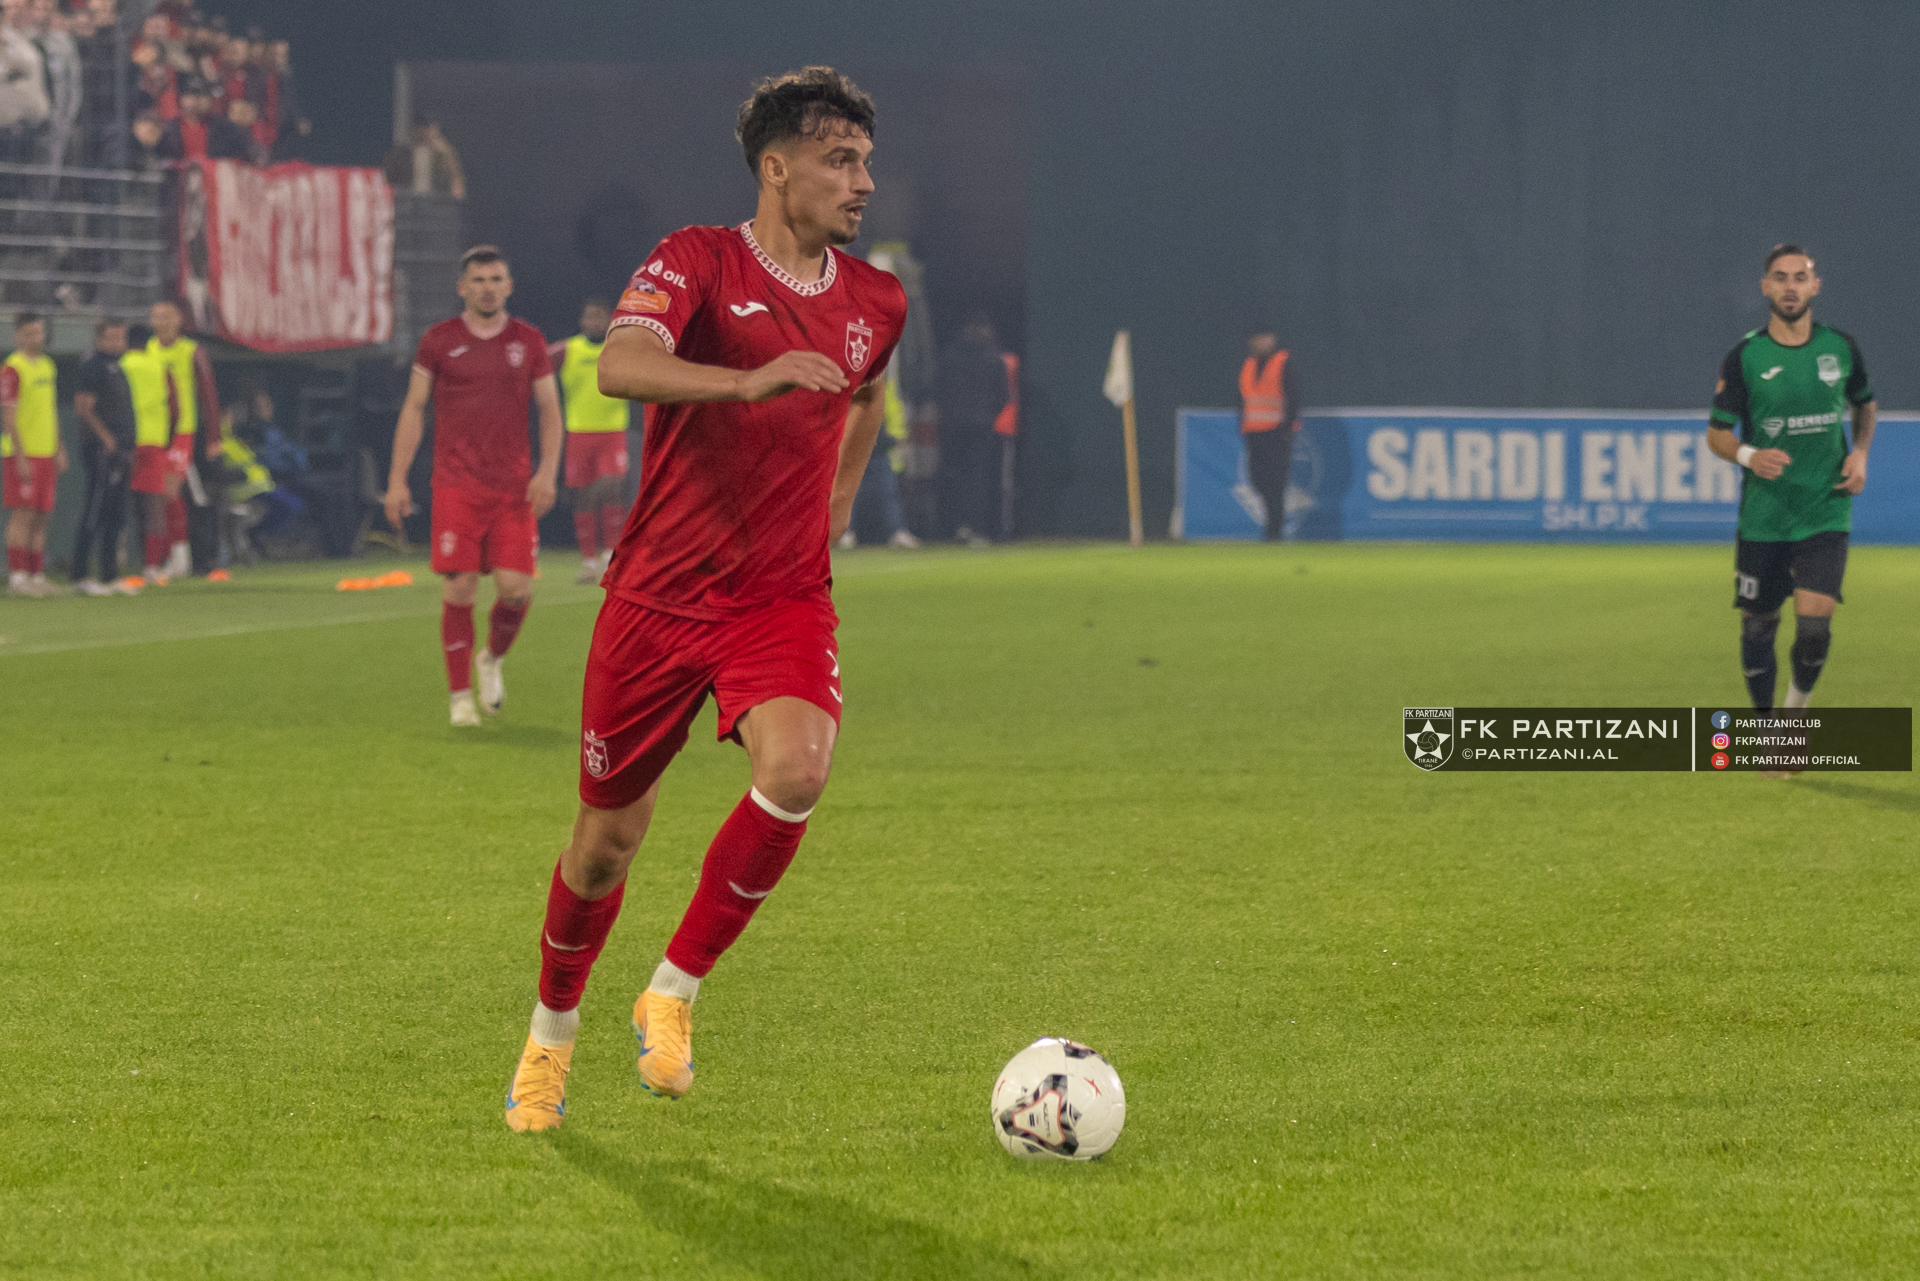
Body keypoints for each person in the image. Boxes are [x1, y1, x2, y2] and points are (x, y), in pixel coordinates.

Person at [501, 66, 906, 1132]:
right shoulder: (696, 259)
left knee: (799, 769)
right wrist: (746, 379)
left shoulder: (877, 301)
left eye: (866, 161)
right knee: (604, 846)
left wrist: (836, 505)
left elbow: (865, 394)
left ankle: (672, 990)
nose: (863, 182)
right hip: (658, 597)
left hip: (780, 597)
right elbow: (620, 364)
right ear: (777, 169)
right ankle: (551, 1033)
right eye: (839, 160)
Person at [383, 245, 562, 727]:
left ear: (509, 286)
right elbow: (414, 409)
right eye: (478, 280)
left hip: (512, 489)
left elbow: (549, 409)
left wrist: (547, 471)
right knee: (460, 588)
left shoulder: (529, 341)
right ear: (462, 287)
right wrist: (397, 480)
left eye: (496, 279)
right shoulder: (438, 341)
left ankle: (491, 659)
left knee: (516, 590)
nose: (488, 288)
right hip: (456, 485)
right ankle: (460, 697)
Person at [1708, 244, 1874, 732]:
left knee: (1815, 627)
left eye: (1800, 277)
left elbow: (1865, 403)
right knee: (1759, 627)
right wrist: (1749, 456)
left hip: (1825, 508)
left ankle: (1792, 720)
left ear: (1815, 286)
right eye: (1780, 277)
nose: (1790, 287)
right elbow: (1717, 435)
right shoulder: (1746, 356)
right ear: (1766, 287)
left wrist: (1860, 452)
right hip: (1766, 515)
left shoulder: (1841, 347)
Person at [549, 298, 630, 584]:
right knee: (583, 495)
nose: (592, 321)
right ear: (581, 321)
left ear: (608, 320)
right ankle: (588, 561)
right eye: (588, 316)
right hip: (579, 432)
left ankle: (610, 556)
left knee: (611, 488)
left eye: (598, 316)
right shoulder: (568, 350)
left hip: (612, 431)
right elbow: (536, 363)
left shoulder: (619, 348)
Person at [147, 297, 220, 577]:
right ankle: (172, 556)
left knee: (179, 493)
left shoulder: (191, 351)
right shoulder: (148, 351)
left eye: (168, 317)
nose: (163, 323)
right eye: (158, 317)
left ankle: (188, 558)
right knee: (161, 497)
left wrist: (213, 437)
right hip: (155, 434)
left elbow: (208, 394)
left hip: (185, 434)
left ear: (179, 320)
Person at [70, 318, 139, 595]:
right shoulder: (93, 366)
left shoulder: (118, 367)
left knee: (116, 513)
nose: (116, 343)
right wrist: (105, 437)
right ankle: (79, 574)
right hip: (101, 451)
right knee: (95, 510)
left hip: (121, 450)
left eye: (120, 338)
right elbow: (83, 408)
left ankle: (110, 575)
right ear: (99, 339)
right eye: (111, 338)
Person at [934, 311, 1008, 545]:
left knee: (955, 477)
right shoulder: (993, 358)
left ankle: (957, 527)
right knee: (976, 479)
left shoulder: (950, 356)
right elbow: (1003, 395)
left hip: (955, 426)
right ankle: (974, 528)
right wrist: (988, 414)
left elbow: (938, 388)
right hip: (979, 427)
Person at [3, 313, 63, 595]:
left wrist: (58, 446)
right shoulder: (13, 369)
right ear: (18, 336)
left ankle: (37, 575)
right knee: (23, 514)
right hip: (23, 453)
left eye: (38, 332)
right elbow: (8, 416)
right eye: (29, 333)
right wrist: (19, 455)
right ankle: (18, 576)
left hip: (46, 452)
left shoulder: (48, 366)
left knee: (42, 514)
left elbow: (51, 409)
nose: (35, 338)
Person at [121, 322, 178, 582]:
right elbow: (174, 406)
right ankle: (153, 566)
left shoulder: (122, 365)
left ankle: (116, 561)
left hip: (128, 442)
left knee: (119, 502)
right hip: (154, 441)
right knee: (154, 505)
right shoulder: (160, 366)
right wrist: (168, 436)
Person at [1239, 330, 1300, 541]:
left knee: (1276, 482)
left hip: (1276, 433)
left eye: (1265, 338)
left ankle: (1274, 529)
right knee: (1258, 481)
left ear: (1272, 339)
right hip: (1254, 433)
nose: (1261, 342)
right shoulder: (1249, 365)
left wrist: (1287, 428)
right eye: (1257, 338)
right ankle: (1272, 524)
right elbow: (1243, 398)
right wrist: (1243, 426)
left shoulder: (1283, 362)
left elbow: (1293, 396)